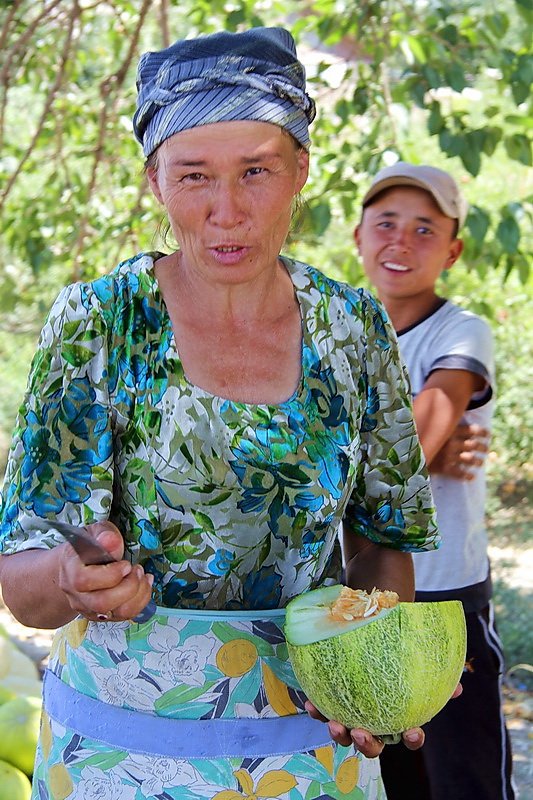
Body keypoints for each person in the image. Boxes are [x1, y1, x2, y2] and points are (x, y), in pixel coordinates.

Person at [0, 28, 445, 800]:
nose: (226, 210)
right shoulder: (101, 323)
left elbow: (381, 547)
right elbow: (23, 585)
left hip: (313, 751)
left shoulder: (352, 327)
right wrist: (73, 577)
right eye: (194, 176)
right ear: (154, 180)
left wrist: (375, 669)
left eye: (256, 172)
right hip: (122, 755)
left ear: (300, 169)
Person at [355, 162, 515, 800]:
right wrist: (417, 458)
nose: (401, 241)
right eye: (386, 223)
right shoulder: (335, 328)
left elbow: (415, 438)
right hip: (365, 594)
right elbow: (412, 450)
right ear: (358, 236)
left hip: (448, 597)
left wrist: (413, 451)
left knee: (464, 777)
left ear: (453, 250)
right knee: (386, 774)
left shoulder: (460, 331)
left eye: (425, 229)